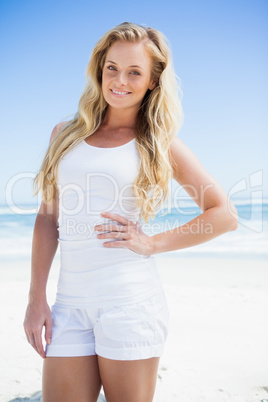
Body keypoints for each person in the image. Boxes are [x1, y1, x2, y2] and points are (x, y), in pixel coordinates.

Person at [23, 22, 238, 402]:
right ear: (99, 69)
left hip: (130, 304)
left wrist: (153, 243)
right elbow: (47, 218)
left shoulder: (158, 143)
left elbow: (223, 213)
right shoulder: (65, 134)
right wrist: (36, 297)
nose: (119, 80)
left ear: (153, 80)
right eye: (112, 67)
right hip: (69, 304)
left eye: (134, 72)